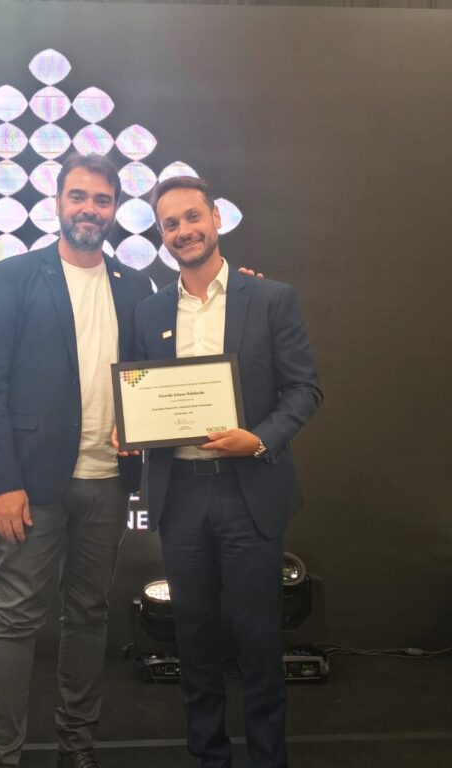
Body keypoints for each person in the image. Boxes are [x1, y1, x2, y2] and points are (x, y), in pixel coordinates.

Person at [131, 176, 322, 768]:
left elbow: (304, 389)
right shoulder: (149, 312)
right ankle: (209, 757)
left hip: (250, 493)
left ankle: (268, 759)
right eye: (170, 224)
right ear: (161, 234)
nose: (184, 231)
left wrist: (259, 439)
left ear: (215, 218)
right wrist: (129, 425)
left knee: (259, 642)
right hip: (180, 498)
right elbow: (139, 392)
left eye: (193, 217)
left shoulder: (271, 298)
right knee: (194, 643)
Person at [0, 152, 152, 768]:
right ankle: (1, 758)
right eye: (78, 196)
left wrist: (140, 427)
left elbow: (151, 374)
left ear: (115, 209)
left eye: (102, 200)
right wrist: (1, 483)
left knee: (89, 616)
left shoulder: (135, 285)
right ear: (57, 203)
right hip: (31, 486)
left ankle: (78, 750)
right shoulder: (15, 277)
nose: (89, 209)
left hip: (108, 482)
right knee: (15, 621)